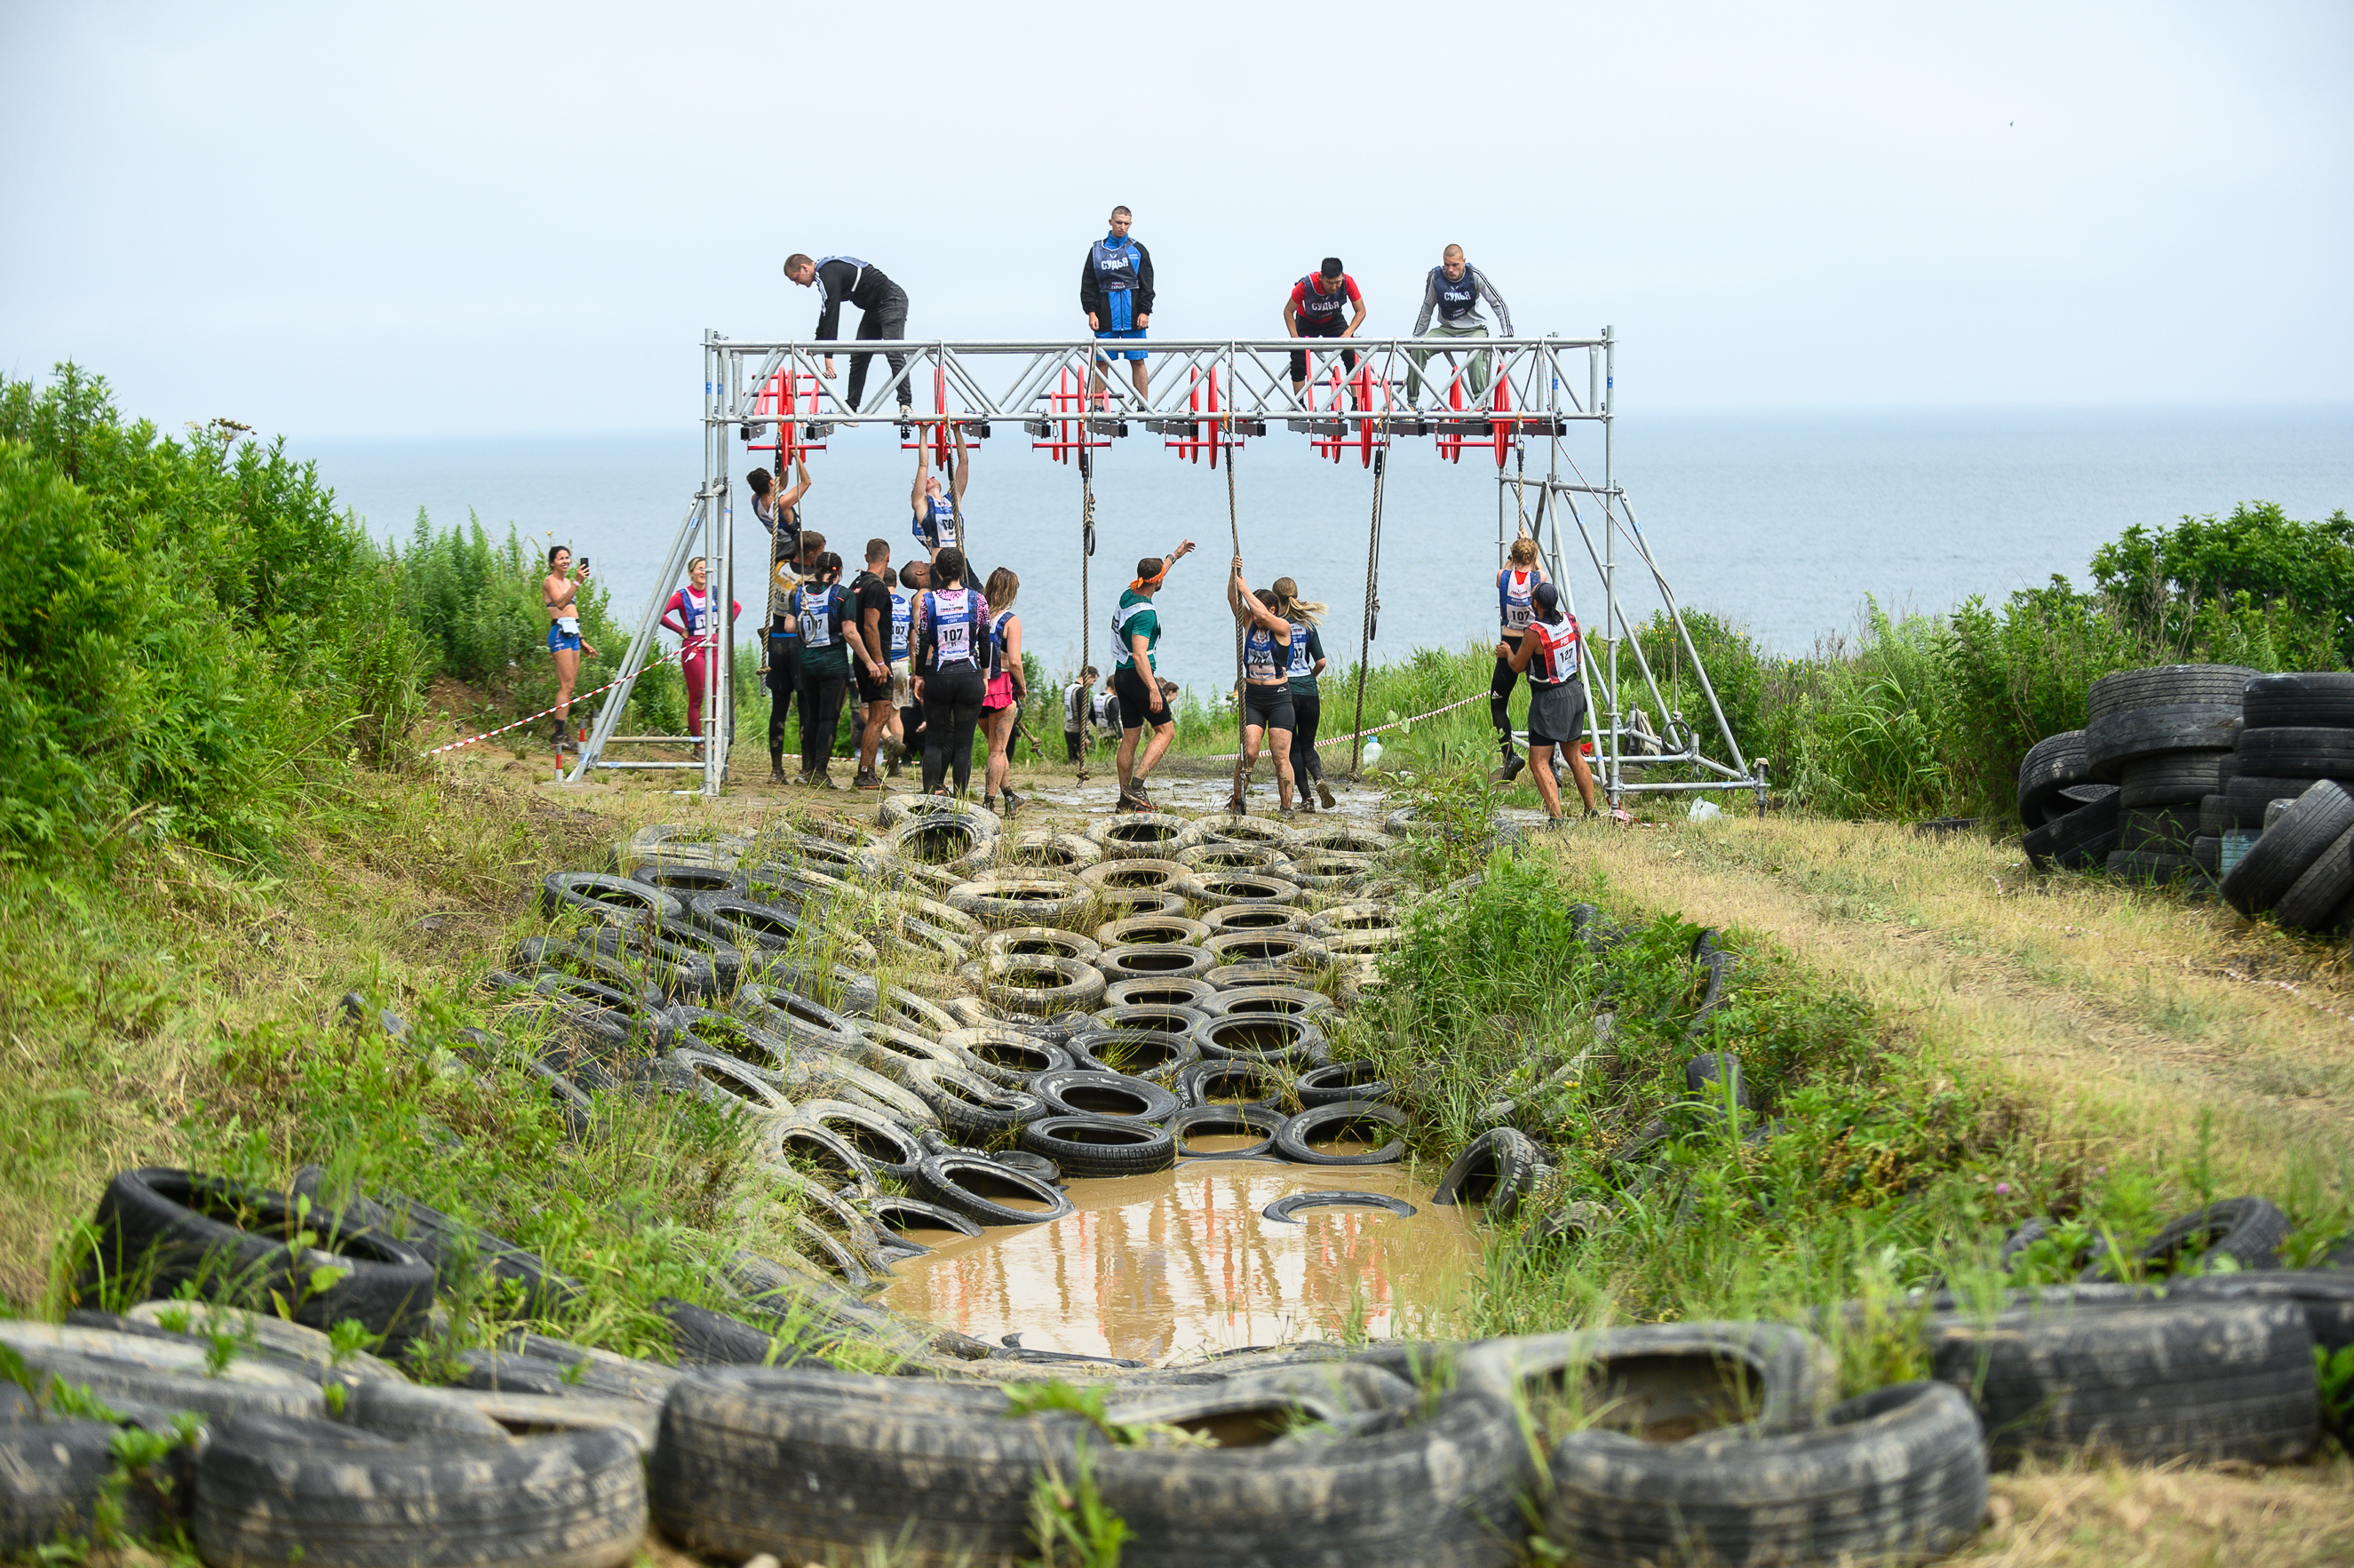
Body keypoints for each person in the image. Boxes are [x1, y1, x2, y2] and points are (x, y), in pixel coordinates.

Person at [1497, 582, 1599, 824]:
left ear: (1535, 604)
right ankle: (1591, 810)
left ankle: (1557, 818)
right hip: (1574, 691)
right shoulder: (1572, 622)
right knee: (1574, 755)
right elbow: (1578, 657)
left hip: (1550, 698)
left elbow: (1517, 665)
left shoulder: (1535, 632)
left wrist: (1507, 652)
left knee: (1539, 761)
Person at [1110, 540, 1197, 811]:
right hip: (1139, 676)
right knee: (1166, 732)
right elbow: (1139, 655)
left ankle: (1125, 801)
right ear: (1157, 581)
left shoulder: (1128, 594)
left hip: (1121, 675)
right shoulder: (1145, 615)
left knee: (1130, 738)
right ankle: (1136, 787)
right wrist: (1152, 688)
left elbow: (1157, 574)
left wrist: (1175, 555)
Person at [783, 252, 913, 418]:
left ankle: (905, 404)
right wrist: (816, 344)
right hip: (873, 308)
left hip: (891, 301)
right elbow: (826, 312)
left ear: (804, 268)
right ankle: (851, 408)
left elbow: (833, 312)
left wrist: (828, 354)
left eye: (796, 278)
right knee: (859, 355)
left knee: (893, 351)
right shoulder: (825, 275)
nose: (797, 283)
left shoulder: (827, 272)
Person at [750, 460, 813, 781]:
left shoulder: (757, 501)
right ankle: (807, 766)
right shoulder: (781, 504)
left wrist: (783, 459)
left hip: (780, 558)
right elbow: (805, 483)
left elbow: (782, 484)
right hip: (791, 551)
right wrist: (798, 459)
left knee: (779, 704)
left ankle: (777, 769)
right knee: (804, 703)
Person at [911, 546, 991, 798]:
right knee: (964, 744)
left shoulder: (929, 600)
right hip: (969, 674)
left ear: (937, 571)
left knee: (934, 741)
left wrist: (919, 676)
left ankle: (929, 796)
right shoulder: (978, 600)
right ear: (962, 570)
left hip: (939, 675)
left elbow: (924, 641)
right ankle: (961, 799)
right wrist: (985, 675)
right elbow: (985, 641)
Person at [791, 552, 870, 789]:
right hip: (833, 664)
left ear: (815, 570)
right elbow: (850, 632)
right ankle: (820, 772)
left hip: (806, 662)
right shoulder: (844, 595)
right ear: (839, 571)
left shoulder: (800, 593)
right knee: (828, 717)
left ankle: (808, 769)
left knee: (812, 716)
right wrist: (868, 662)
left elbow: (789, 625)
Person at [1227, 558, 1297, 816]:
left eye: (1259, 612)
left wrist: (1245, 589)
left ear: (1272, 610)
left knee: (1280, 756)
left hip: (1279, 698)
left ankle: (1286, 807)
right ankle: (1237, 802)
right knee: (1250, 752)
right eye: (1253, 613)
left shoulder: (1282, 627)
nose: (1255, 617)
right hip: (1254, 697)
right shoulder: (1248, 623)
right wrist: (1233, 572)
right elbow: (1233, 600)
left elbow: (1264, 615)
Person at [1409, 244, 1515, 404]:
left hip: (1474, 329)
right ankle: (1411, 402)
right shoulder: (1436, 277)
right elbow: (1427, 308)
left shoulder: (1475, 276)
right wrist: (1416, 338)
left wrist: (1508, 336)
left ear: (1464, 262)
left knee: (1476, 347)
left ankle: (1480, 402)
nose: (1450, 270)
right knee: (1418, 348)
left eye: (1455, 265)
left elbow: (1498, 303)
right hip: (1446, 329)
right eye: (1447, 265)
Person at [660, 556, 740, 761]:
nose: (703, 572)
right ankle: (698, 744)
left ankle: (713, 741)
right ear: (691, 573)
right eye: (699, 568)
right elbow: (660, 613)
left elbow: (736, 607)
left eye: (706, 569)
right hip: (694, 648)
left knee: (715, 695)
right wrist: (680, 630)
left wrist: (722, 628)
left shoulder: (715, 592)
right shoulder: (682, 595)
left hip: (714, 646)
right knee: (697, 696)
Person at [1490, 535, 1552, 782]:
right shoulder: (1539, 579)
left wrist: (1511, 558)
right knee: (1541, 700)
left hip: (1509, 641)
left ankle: (1509, 756)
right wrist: (1531, 552)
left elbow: (1504, 572)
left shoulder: (1503, 577)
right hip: (1532, 642)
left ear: (1513, 557)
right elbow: (1539, 570)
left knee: (1498, 702)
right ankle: (1548, 760)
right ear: (1532, 557)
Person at [1272, 577, 1337, 811]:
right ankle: (1319, 778)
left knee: (1293, 749)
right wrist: (1310, 677)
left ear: (1276, 599)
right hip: (1309, 691)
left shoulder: (1277, 624)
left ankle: (1307, 800)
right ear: (1296, 595)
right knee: (1308, 745)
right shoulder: (1308, 625)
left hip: (1286, 692)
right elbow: (1321, 662)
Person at [1082, 205, 1155, 406]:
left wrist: (1145, 311)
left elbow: (1147, 283)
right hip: (1105, 316)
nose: (1122, 227)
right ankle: (1097, 407)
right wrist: (1091, 312)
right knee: (1101, 362)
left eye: (1126, 223)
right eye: (1119, 223)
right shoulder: (1097, 251)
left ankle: (1143, 406)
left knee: (1138, 360)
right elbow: (1088, 284)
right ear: (1111, 222)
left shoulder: (1138, 250)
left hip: (1134, 317)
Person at [978, 567, 1029, 817]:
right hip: (1000, 686)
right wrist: (1022, 686)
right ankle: (989, 801)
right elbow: (1015, 661)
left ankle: (1010, 797)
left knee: (994, 746)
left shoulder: (978, 616)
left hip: (978, 685)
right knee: (998, 750)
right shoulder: (1011, 621)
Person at [850, 538, 897, 790]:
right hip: (875, 660)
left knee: (876, 715)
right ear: (887, 557)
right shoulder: (878, 587)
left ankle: (867, 771)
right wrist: (878, 662)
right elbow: (870, 625)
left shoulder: (857, 584)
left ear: (867, 557)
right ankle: (865, 773)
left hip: (860, 658)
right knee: (880, 715)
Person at [542, 546, 600, 752]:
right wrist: (577, 582)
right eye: (560, 559)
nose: (565, 561)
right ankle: (558, 736)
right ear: (552, 563)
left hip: (573, 633)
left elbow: (571, 612)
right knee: (565, 685)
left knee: (571, 686)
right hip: (559, 633)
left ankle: (561, 733)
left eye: (567, 558)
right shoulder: (550, 581)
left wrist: (582, 639)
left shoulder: (568, 582)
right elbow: (560, 604)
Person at [1284, 257, 1367, 397]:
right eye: (1329, 283)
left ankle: (1356, 401)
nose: (1333, 287)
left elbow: (1361, 311)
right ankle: (1299, 403)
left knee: (1350, 353)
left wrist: (1348, 332)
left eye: (1337, 282)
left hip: (1333, 319)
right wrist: (1295, 337)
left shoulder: (1348, 282)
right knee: (1298, 358)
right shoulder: (1305, 285)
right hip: (1307, 321)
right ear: (1321, 277)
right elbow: (1288, 311)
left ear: (1342, 277)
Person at [911, 424, 972, 561]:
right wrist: (923, 433)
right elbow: (923, 465)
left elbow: (964, 463)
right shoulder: (923, 504)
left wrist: (957, 431)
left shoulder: (952, 500)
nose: (931, 477)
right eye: (926, 479)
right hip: (939, 562)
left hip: (961, 561)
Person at [894, 561, 928, 770]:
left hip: (897, 664)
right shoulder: (919, 599)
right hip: (912, 666)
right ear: (920, 571)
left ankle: (900, 758)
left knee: (897, 713)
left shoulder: (915, 600)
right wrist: (918, 672)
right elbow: (915, 641)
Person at [1063, 666, 1101, 762]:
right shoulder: (1081, 691)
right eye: (1094, 680)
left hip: (1068, 729)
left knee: (1073, 760)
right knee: (1091, 754)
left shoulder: (1069, 689)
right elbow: (1082, 714)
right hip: (1078, 730)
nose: (1093, 684)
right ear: (1088, 676)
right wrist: (1084, 735)